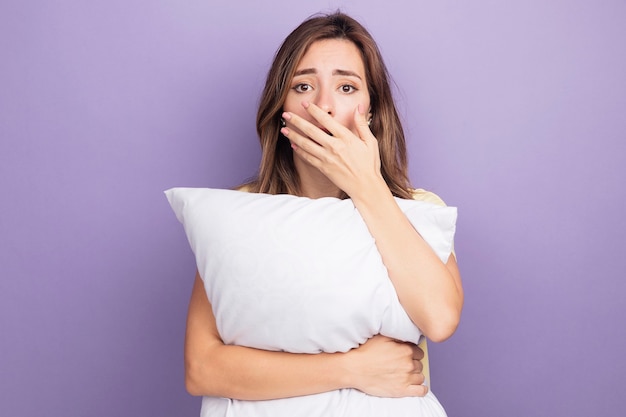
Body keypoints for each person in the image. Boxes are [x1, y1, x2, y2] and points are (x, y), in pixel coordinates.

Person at [184, 11, 463, 416]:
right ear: (282, 107)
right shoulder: (241, 212)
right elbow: (201, 368)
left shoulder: (417, 210)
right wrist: (350, 369)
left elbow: (439, 319)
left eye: (346, 86)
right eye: (303, 86)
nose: (324, 106)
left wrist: (365, 186)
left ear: (370, 109)